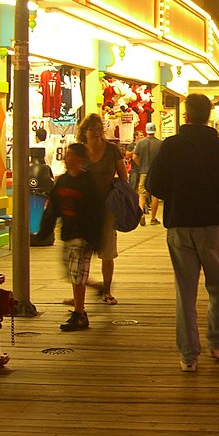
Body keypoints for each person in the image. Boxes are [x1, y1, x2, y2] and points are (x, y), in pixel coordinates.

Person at [145, 94, 219, 372]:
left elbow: (154, 184)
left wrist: (175, 195)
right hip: (212, 224)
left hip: (179, 225)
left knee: (185, 292)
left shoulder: (171, 146)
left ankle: (189, 355)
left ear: (185, 116)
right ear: (209, 116)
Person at [34, 142, 102, 331]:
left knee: (77, 272)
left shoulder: (87, 183)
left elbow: (96, 212)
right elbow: (53, 209)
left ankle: (80, 313)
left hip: (83, 235)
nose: (65, 157)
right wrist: (43, 233)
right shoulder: (62, 181)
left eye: (70, 154)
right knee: (72, 272)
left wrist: (94, 238)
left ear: (79, 159)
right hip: (68, 233)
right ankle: (94, 291)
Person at [77, 113, 128, 304]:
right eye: (92, 129)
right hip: (85, 208)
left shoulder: (112, 150)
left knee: (107, 251)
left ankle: (106, 290)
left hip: (107, 207)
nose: (97, 132)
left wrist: (123, 200)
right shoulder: (79, 151)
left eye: (99, 128)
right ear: (85, 131)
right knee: (82, 252)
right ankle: (80, 294)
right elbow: (72, 175)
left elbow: (123, 178)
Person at [133, 122, 162, 226]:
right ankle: (153, 218)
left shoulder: (141, 143)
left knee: (142, 194)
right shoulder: (160, 143)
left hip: (143, 171)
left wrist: (140, 165)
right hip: (155, 172)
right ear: (155, 131)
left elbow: (134, 157)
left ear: (146, 130)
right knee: (155, 195)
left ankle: (141, 215)